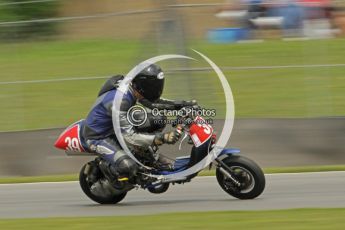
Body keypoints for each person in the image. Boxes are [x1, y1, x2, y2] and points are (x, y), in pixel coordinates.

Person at [81, 64, 196, 183]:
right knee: (128, 167)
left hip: (116, 126)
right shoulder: (121, 100)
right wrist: (162, 138)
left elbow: (155, 104)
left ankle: (147, 154)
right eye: (152, 86)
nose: (155, 89)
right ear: (143, 85)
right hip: (99, 136)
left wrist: (183, 104)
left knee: (158, 119)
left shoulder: (133, 88)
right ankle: (112, 173)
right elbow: (129, 136)